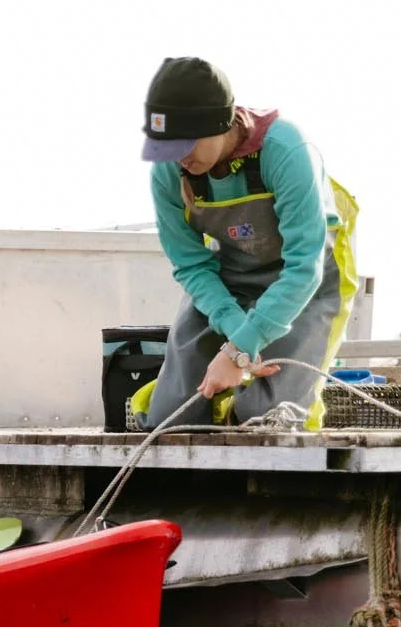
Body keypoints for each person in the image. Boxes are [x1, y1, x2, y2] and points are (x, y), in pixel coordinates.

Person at [135, 56, 360, 430]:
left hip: (308, 284)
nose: (177, 157)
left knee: (268, 418)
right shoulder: (168, 171)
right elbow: (191, 264)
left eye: (185, 143)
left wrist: (240, 347)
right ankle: (205, 396)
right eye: (166, 145)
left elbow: (305, 267)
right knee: (171, 420)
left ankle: (256, 404)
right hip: (232, 278)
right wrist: (239, 336)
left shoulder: (285, 149)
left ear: (220, 125)